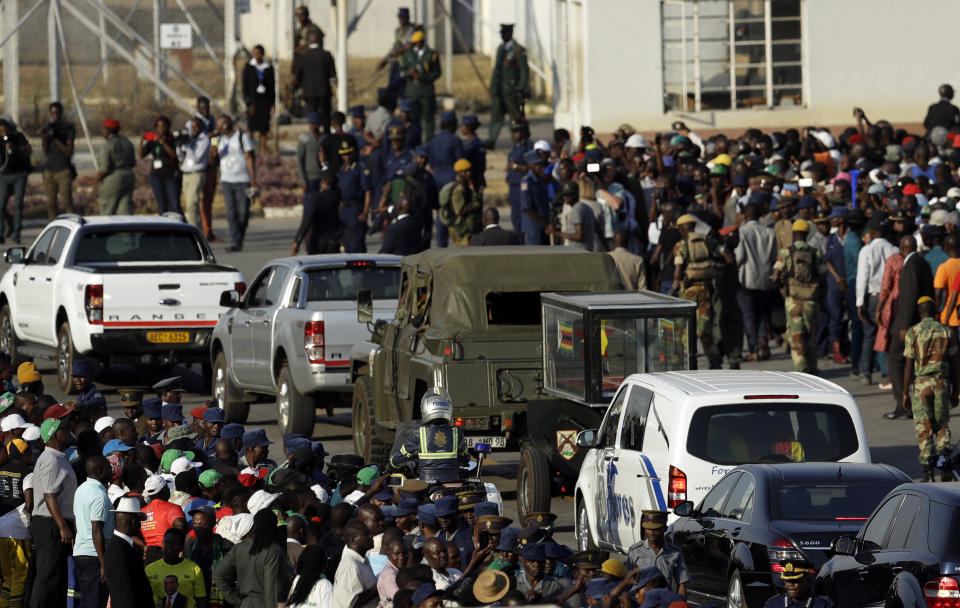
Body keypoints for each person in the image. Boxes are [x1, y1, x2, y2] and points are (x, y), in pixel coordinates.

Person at [903, 296, 960, 482]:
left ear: (920, 313)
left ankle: (928, 473)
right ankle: (944, 466)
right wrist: (956, 388)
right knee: (942, 427)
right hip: (941, 384)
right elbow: (954, 363)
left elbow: (909, 365)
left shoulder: (913, 332)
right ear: (934, 312)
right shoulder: (945, 331)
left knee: (924, 427)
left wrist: (905, 393)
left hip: (922, 385)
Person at [30, 412, 77, 608]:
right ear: (55, 435)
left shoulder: (59, 457)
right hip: (50, 522)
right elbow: (49, 495)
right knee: (47, 577)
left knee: (57, 578)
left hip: (55, 521)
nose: (68, 432)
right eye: (64, 430)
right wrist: (62, 527)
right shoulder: (50, 459)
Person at [887, 235, 934, 419]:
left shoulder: (910, 265)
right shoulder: (922, 262)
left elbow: (908, 297)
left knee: (895, 359)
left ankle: (903, 403)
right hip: (920, 318)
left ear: (901, 247)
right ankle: (913, 402)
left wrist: (905, 326)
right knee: (914, 362)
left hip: (908, 321)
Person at [673, 214, 726, 369]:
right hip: (706, 291)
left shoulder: (682, 246)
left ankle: (680, 363)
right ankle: (714, 361)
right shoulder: (708, 242)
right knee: (704, 330)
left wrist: (676, 285)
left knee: (682, 329)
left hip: (687, 293)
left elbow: (677, 271)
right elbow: (726, 257)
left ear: (682, 229)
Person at [772, 220, 825, 374]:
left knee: (796, 336)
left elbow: (776, 276)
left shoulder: (786, 253)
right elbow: (823, 275)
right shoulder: (816, 253)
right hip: (811, 301)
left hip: (793, 301)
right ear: (807, 234)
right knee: (811, 335)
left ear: (794, 234)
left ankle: (801, 368)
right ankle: (813, 366)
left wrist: (782, 285)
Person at [212, 508, 286, 608]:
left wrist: (237, 601)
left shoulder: (239, 547)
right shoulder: (274, 551)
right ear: (273, 527)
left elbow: (218, 574)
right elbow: (271, 591)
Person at [390, 388, 467, 483]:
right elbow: (465, 456)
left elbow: (401, 456)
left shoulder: (419, 432)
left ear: (426, 409)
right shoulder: (457, 432)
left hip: (427, 482)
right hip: (452, 481)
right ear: (448, 408)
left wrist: (392, 464)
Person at [856, 215, 899, 385]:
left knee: (869, 336)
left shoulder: (866, 250)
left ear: (873, 232)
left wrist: (859, 303)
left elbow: (862, 278)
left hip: (873, 297)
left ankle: (865, 372)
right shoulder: (894, 250)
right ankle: (888, 372)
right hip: (890, 299)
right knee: (888, 335)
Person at [735, 199, 777, 360]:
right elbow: (774, 257)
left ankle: (754, 348)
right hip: (766, 279)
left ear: (745, 215)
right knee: (762, 315)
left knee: (749, 316)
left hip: (747, 279)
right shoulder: (769, 232)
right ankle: (763, 342)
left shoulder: (742, 232)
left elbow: (739, 257)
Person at [211, 115, 258, 252]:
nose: (217, 127)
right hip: (226, 180)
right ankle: (236, 242)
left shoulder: (242, 137)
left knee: (243, 213)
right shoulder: (219, 139)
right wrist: (214, 142)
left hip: (243, 179)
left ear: (226, 125)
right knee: (231, 213)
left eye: (220, 125)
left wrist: (253, 179)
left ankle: (239, 237)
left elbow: (250, 158)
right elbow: (213, 157)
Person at [72, 455, 114, 608]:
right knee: (95, 603)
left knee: (86, 601)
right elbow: (97, 530)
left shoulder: (81, 489)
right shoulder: (99, 495)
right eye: (109, 467)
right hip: (94, 557)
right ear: (99, 471)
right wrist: (104, 564)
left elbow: (77, 521)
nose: (112, 469)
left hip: (81, 553)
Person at [104, 495, 155, 608]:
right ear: (133, 522)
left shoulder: (122, 546)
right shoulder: (118, 551)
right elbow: (124, 594)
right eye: (139, 521)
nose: (140, 524)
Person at [486, 24, 529, 149]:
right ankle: (491, 140)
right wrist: (492, 87)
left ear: (510, 34)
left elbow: (524, 72)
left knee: (515, 118)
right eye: (501, 34)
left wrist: (520, 87)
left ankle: (518, 142)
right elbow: (496, 71)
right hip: (499, 91)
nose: (502, 36)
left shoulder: (518, 50)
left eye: (504, 33)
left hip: (512, 91)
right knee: (496, 117)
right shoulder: (500, 49)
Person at [626, 511, 688, 597]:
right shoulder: (635, 551)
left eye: (655, 529)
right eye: (648, 529)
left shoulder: (675, 553)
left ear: (665, 528)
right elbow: (627, 581)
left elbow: (681, 585)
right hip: (640, 602)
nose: (651, 533)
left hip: (663, 601)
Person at [146, 528, 208, 608]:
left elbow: (201, 600)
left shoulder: (194, 569)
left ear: (182, 547)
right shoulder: (150, 570)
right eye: (167, 542)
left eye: (174, 543)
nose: (169, 546)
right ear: (162, 544)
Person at [428, 110, 465, 247]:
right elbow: (461, 164)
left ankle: (441, 245)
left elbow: (431, 164)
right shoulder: (455, 140)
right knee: (455, 214)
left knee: (440, 213)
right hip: (452, 182)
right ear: (452, 124)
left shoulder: (433, 140)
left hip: (436, 180)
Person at [399, 30, 441, 140]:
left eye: (418, 43)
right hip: (412, 93)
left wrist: (423, 77)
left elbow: (437, 73)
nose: (416, 45)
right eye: (414, 43)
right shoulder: (408, 54)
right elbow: (401, 72)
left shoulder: (432, 54)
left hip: (426, 92)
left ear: (422, 42)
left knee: (428, 119)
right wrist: (410, 73)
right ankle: (414, 141)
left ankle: (428, 143)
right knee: (412, 120)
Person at [294, 31, 336, 133]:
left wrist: (300, 86)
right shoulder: (326, 55)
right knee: (326, 115)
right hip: (324, 92)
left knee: (313, 116)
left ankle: (314, 135)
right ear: (319, 41)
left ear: (310, 42)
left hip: (309, 92)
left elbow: (298, 76)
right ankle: (326, 134)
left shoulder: (303, 56)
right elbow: (332, 75)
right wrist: (333, 87)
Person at [93, 118, 137, 216]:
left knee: (107, 210)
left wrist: (94, 181)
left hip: (112, 178)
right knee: (125, 211)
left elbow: (104, 168)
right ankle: (126, 231)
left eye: (104, 129)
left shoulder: (108, 145)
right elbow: (133, 162)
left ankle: (105, 230)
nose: (102, 131)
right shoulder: (127, 142)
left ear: (108, 131)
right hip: (128, 176)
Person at [292, 171, 342, 255]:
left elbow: (306, 222)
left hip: (317, 241)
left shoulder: (315, 198)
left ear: (323, 182)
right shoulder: (337, 197)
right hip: (333, 241)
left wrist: (297, 242)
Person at [40, 101, 76, 220]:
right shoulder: (48, 127)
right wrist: (45, 141)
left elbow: (69, 152)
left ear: (61, 113)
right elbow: (46, 152)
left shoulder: (67, 128)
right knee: (51, 204)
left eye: (57, 112)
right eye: (52, 113)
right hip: (49, 170)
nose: (55, 115)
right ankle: (53, 225)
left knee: (67, 202)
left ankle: (73, 224)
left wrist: (57, 139)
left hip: (63, 169)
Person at [142, 474, 188, 563]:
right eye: (167, 486)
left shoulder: (142, 512)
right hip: (168, 554)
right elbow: (180, 525)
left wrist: (142, 546)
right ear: (164, 490)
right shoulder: (172, 508)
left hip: (148, 556)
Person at [140, 115, 182, 214]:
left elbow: (175, 156)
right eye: (158, 126)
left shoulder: (173, 138)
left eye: (163, 126)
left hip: (170, 175)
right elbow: (142, 155)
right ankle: (164, 227)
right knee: (161, 205)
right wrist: (142, 141)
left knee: (174, 204)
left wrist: (163, 143)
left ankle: (181, 227)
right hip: (156, 175)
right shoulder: (153, 140)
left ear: (168, 127)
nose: (161, 128)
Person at [338, 140, 374, 253]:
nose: (347, 157)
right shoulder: (342, 170)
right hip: (344, 211)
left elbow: (368, 191)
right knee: (346, 245)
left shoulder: (360, 168)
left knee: (356, 247)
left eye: (349, 153)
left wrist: (365, 212)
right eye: (344, 154)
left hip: (355, 210)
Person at [332, 519, 378, 608]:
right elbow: (350, 603)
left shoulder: (362, 560)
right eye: (366, 534)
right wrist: (377, 588)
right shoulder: (350, 565)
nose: (371, 536)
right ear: (353, 540)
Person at [0, 117, 32, 243]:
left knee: (18, 203)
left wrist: (14, 149)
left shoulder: (18, 137)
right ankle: (1, 232)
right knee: (1, 205)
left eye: (5, 131)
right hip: (4, 176)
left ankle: (17, 232)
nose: (4, 134)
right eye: (1, 131)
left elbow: (26, 153)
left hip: (19, 174)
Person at [194, 97, 221, 241]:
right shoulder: (193, 122)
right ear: (198, 107)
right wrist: (208, 136)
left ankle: (208, 230)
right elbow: (194, 139)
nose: (205, 110)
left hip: (211, 164)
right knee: (196, 200)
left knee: (208, 199)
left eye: (207, 107)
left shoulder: (211, 120)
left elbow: (215, 137)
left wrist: (214, 148)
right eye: (202, 107)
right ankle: (200, 230)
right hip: (198, 165)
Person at [242, 45, 276, 157]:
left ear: (262, 54)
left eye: (259, 53)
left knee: (263, 128)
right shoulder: (248, 67)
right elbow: (245, 87)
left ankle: (263, 151)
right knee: (251, 127)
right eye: (254, 53)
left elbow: (272, 87)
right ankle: (250, 150)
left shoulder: (268, 68)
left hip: (265, 101)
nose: (257, 55)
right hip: (253, 102)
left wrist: (272, 104)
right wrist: (249, 103)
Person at [439, 159, 481, 246]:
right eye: (465, 172)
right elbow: (459, 211)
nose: (468, 173)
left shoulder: (465, 185)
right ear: (458, 173)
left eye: (469, 170)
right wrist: (473, 204)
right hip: (461, 228)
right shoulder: (459, 189)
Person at [178, 119, 211, 230]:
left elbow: (196, 158)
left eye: (196, 127)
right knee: (192, 206)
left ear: (201, 127)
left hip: (196, 174)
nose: (193, 129)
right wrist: (179, 145)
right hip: (186, 174)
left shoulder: (204, 139)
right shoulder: (191, 139)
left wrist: (187, 146)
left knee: (191, 204)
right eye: (192, 127)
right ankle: (198, 230)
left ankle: (192, 230)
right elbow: (181, 157)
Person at [547, 181, 596, 251]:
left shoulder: (577, 209)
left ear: (575, 194)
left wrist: (556, 233)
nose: (565, 197)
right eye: (564, 195)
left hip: (578, 252)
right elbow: (598, 229)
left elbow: (578, 236)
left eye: (569, 195)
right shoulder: (586, 207)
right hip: (587, 250)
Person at [762, 562, 832, 608]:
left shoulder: (823, 604)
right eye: (787, 580)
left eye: (795, 581)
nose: (790, 584)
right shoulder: (773, 604)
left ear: (807, 580)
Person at [519, 150, 552, 245]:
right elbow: (527, 208)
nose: (539, 166)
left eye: (540, 163)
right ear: (530, 165)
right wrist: (545, 224)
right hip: (533, 228)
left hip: (544, 226)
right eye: (536, 164)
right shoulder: (527, 182)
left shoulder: (541, 179)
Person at [297, 112, 326, 194]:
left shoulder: (324, 139)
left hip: (322, 177)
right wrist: (303, 181)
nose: (312, 126)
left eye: (315, 124)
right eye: (311, 124)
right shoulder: (304, 139)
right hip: (309, 178)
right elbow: (300, 160)